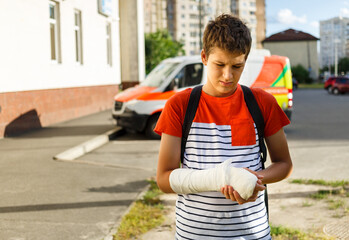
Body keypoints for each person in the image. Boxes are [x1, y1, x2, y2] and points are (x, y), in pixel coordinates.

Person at [154, 14, 293, 240]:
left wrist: (255, 179)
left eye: (237, 66)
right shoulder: (179, 105)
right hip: (194, 234)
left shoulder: (262, 103)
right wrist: (219, 178)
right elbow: (163, 179)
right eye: (220, 64)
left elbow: (284, 164)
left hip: (252, 233)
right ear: (204, 57)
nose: (228, 75)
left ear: (245, 61)